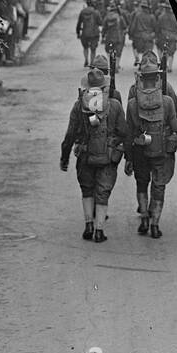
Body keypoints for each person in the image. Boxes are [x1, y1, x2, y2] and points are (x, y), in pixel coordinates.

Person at [60, 67, 129, 242]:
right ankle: (99, 230)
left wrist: (64, 156)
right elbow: (124, 132)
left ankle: (88, 225)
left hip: (84, 156)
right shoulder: (114, 105)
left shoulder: (78, 105)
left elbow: (70, 134)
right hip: (107, 157)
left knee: (87, 190)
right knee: (102, 193)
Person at [125, 58, 177, 238]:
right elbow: (176, 128)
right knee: (159, 187)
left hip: (140, 150)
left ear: (141, 78)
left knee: (142, 184)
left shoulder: (133, 103)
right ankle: (155, 224)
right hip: (161, 150)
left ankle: (143, 218)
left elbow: (129, 133)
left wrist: (128, 157)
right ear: (157, 78)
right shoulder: (166, 101)